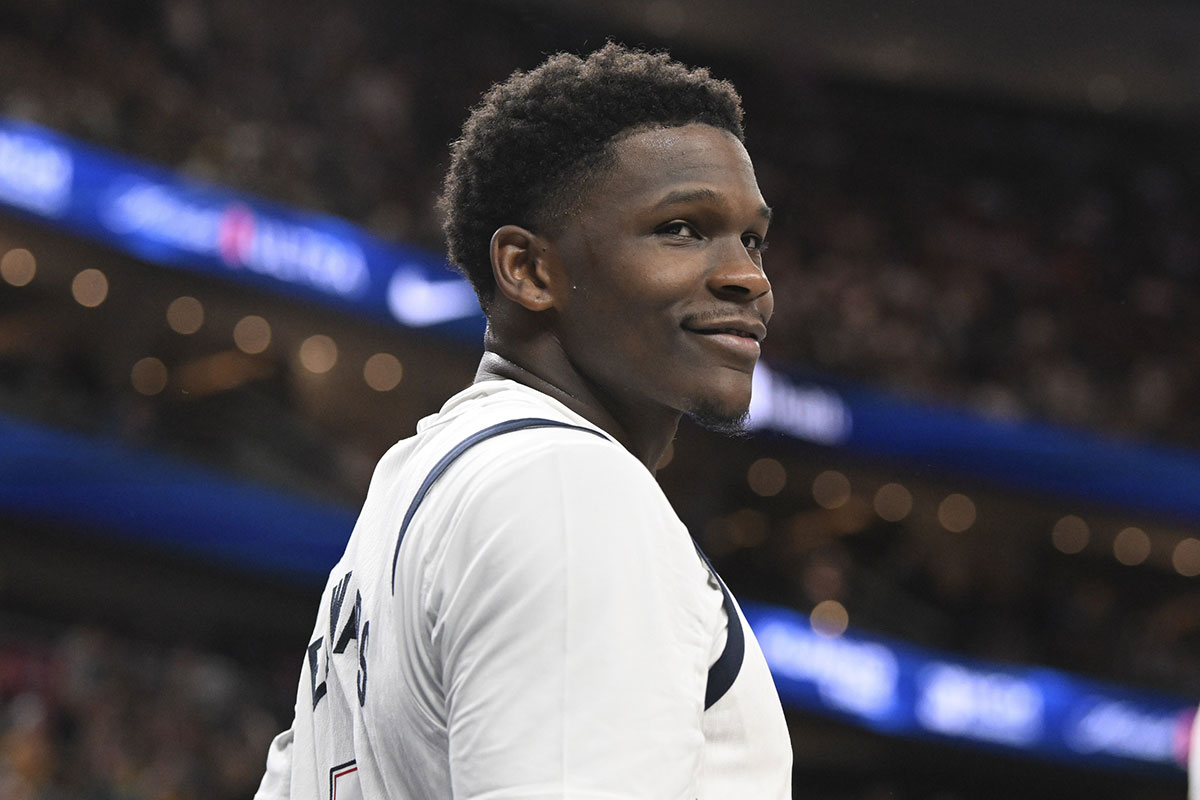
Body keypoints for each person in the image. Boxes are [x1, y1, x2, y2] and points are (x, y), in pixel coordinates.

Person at [255, 43, 792, 799]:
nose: (750, 278)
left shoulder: (417, 484)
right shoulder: (572, 489)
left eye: (753, 238)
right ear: (530, 270)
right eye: (681, 227)